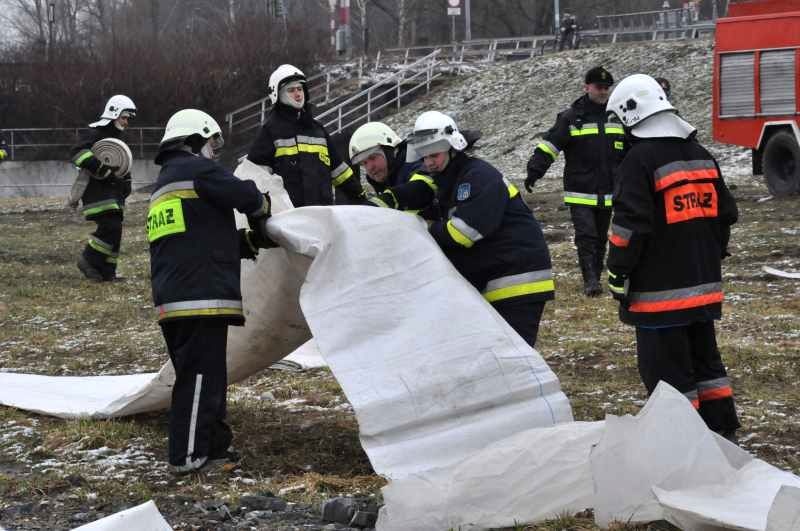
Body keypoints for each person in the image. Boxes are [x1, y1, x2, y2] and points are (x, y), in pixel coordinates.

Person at [605, 74, 740, 442]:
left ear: (631, 116)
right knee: (706, 364)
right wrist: (711, 256)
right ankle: (722, 432)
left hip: (659, 296)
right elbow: (725, 215)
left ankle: (684, 444)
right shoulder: (700, 155)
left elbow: (629, 228)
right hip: (704, 288)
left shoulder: (639, 161)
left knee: (667, 373)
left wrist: (617, 272)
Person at [149, 109, 275, 474]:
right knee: (200, 377)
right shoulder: (195, 170)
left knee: (206, 374)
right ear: (193, 139)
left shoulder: (164, 184)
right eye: (210, 143)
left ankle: (214, 448)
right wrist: (263, 207)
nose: (213, 152)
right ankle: (187, 457)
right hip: (198, 297)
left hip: (175, 298)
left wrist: (238, 243)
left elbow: (192, 239)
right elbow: (245, 195)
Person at [369, 111, 555, 347]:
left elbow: (462, 233)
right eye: (425, 157)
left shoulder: (477, 176)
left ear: (453, 147)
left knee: (513, 355)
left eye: (434, 155)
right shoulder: (453, 179)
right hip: (498, 274)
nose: (429, 163)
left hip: (515, 278)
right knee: (496, 355)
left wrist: (420, 231)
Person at [525, 66, 627, 297]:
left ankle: (596, 275)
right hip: (580, 190)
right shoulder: (572, 117)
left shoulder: (617, 116)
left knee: (601, 237)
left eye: (606, 88)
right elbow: (550, 146)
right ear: (586, 87)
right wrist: (534, 170)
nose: (603, 92)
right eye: (598, 87)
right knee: (587, 235)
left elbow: (632, 149)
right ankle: (590, 280)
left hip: (610, 190)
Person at [247, 64, 365, 206]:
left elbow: (340, 172)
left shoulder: (318, 131)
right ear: (277, 94)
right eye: (291, 90)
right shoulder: (270, 131)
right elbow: (254, 177)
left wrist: (360, 196)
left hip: (323, 216)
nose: (298, 94)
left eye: (300, 89)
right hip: (288, 220)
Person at [70, 95, 136, 282]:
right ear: (113, 113)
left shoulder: (117, 138)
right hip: (96, 191)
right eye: (124, 118)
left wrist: (126, 185)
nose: (126, 122)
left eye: (128, 119)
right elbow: (77, 153)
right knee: (111, 226)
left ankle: (107, 272)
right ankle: (88, 260)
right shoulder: (94, 133)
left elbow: (123, 165)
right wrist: (101, 168)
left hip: (114, 193)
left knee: (116, 230)